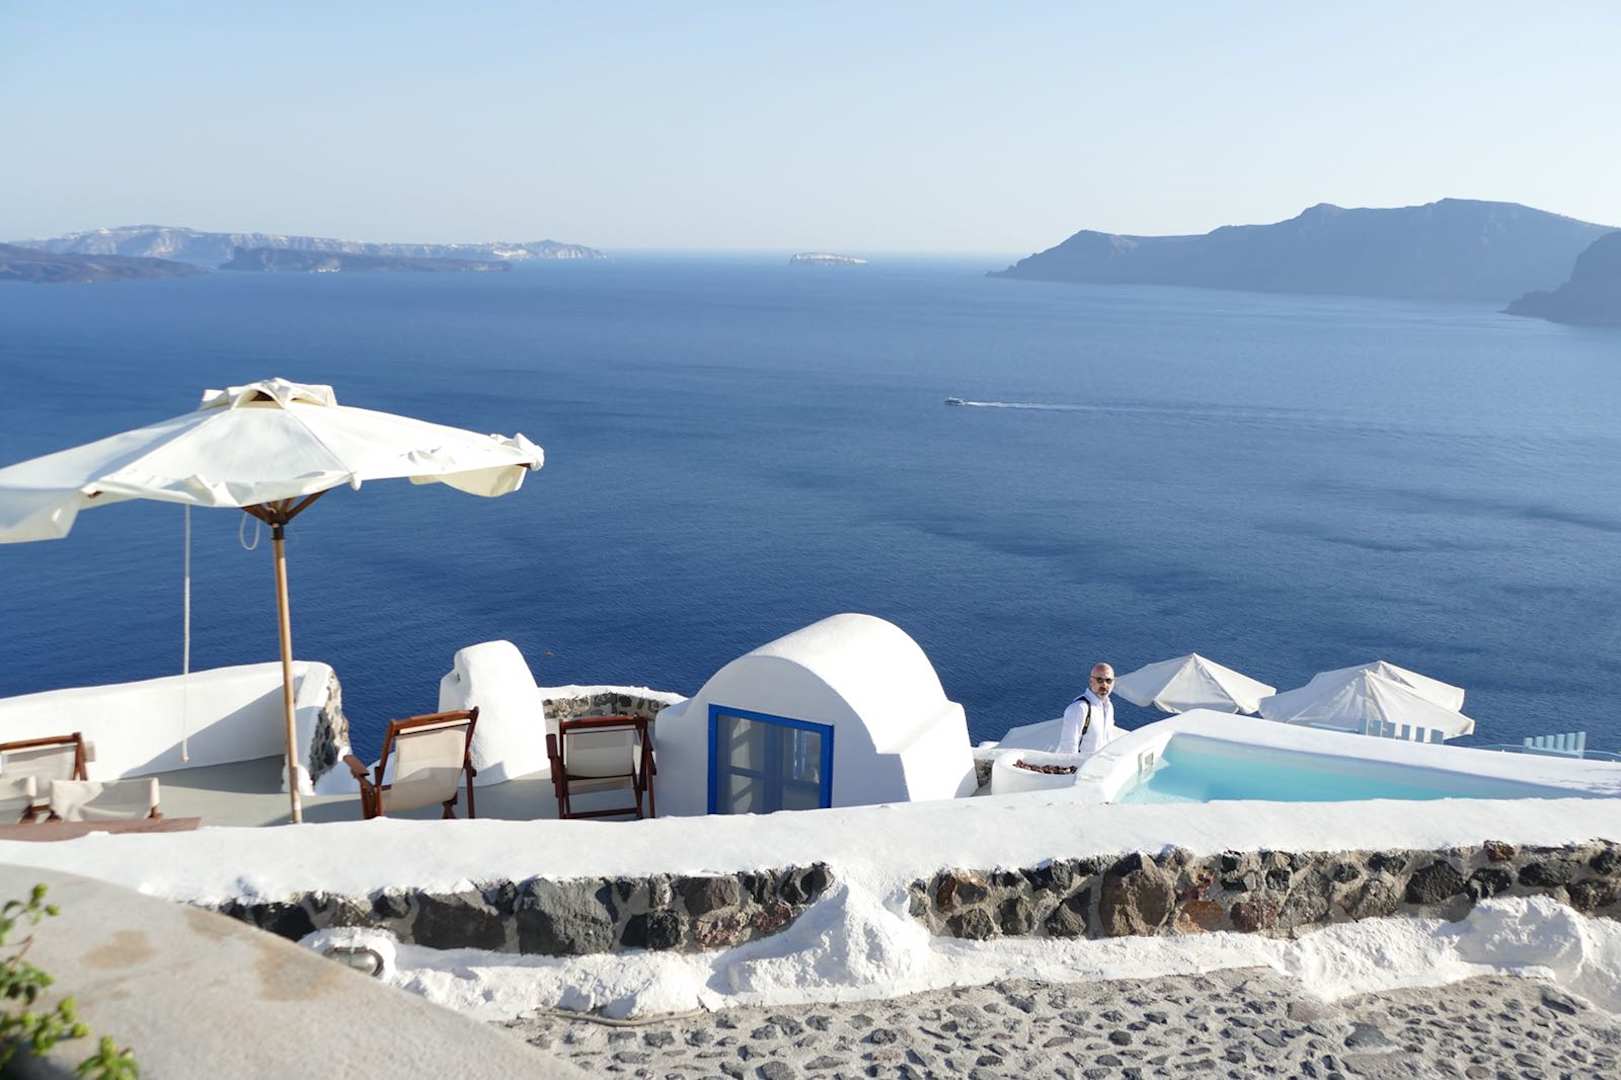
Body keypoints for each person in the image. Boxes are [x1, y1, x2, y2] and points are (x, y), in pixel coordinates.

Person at [1055, 662, 1117, 755]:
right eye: (1099, 680)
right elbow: (1068, 747)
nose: (1104, 685)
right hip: (1084, 764)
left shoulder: (1109, 707)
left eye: (1108, 680)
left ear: (1113, 683)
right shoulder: (1079, 708)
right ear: (1091, 681)